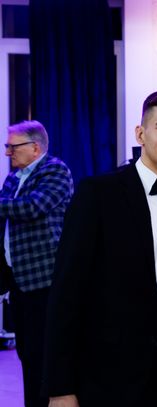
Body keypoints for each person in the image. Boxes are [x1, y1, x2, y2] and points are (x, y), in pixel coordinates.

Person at [43, 89, 157, 407]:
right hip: (102, 381)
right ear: (141, 134)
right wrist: (60, 387)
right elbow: (66, 294)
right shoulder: (97, 194)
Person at [0, 120, 73, 407]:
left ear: (35, 147)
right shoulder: (13, 178)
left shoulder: (55, 170)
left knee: (46, 355)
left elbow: (33, 206)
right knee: (27, 355)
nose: (8, 152)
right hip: (19, 280)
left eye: (12, 147)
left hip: (46, 279)